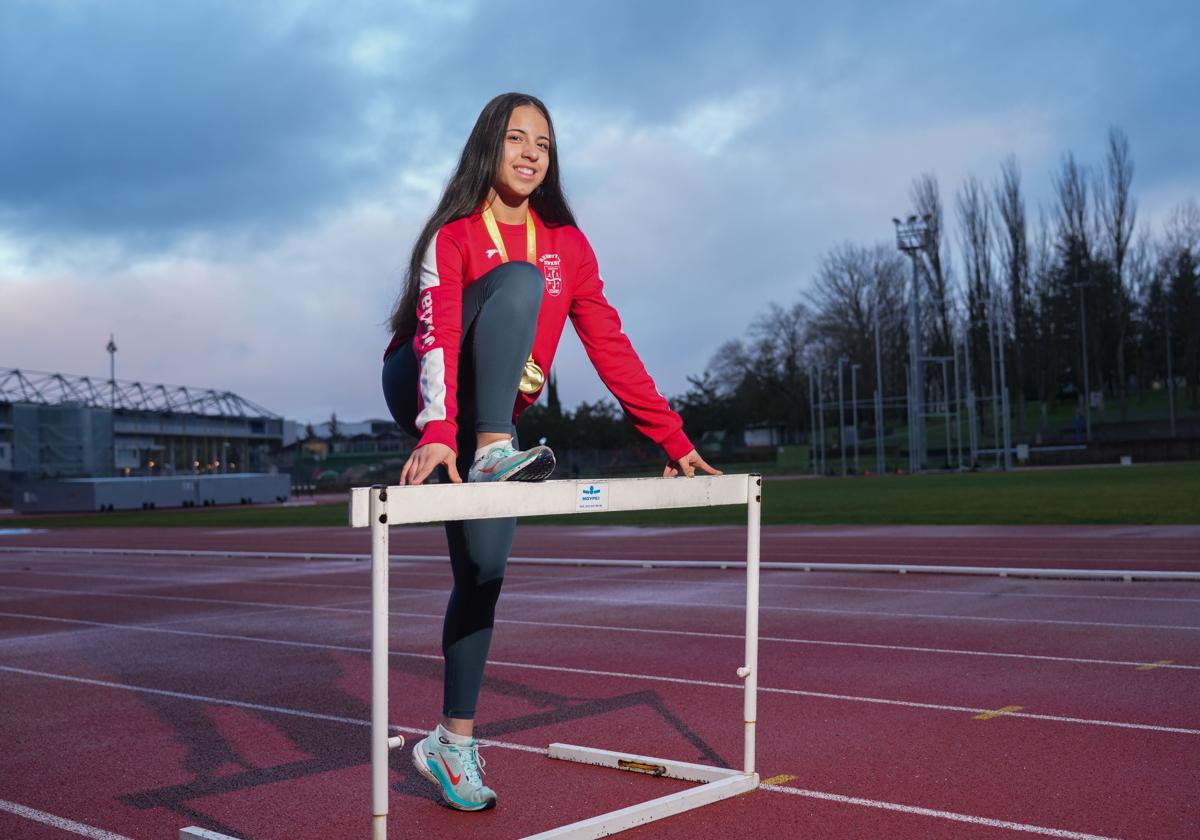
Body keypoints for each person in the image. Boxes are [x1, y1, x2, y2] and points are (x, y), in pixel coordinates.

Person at [381, 92, 719, 812]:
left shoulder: (569, 244)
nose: (532, 153)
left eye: (544, 142)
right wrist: (439, 431)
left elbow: (611, 349)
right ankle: (492, 448)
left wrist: (673, 438)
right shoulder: (456, 235)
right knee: (519, 282)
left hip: (486, 419)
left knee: (485, 570)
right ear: (488, 149)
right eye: (516, 139)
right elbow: (436, 336)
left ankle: (450, 741)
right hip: (424, 384)